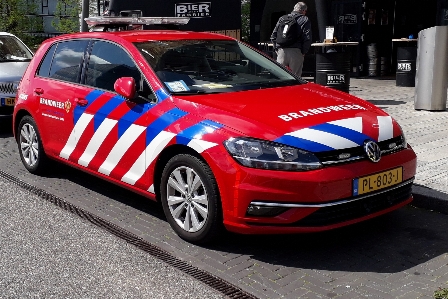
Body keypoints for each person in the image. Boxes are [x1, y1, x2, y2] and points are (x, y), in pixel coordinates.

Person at [270, 2, 312, 77]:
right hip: (296, 52)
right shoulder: (304, 19)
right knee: (295, 78)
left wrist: (277, 49)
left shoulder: (282, 18)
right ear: (303, 11)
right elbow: (307, 38)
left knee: (280, 78)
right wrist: (303, 52)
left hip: (281, 51)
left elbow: (273, 36)